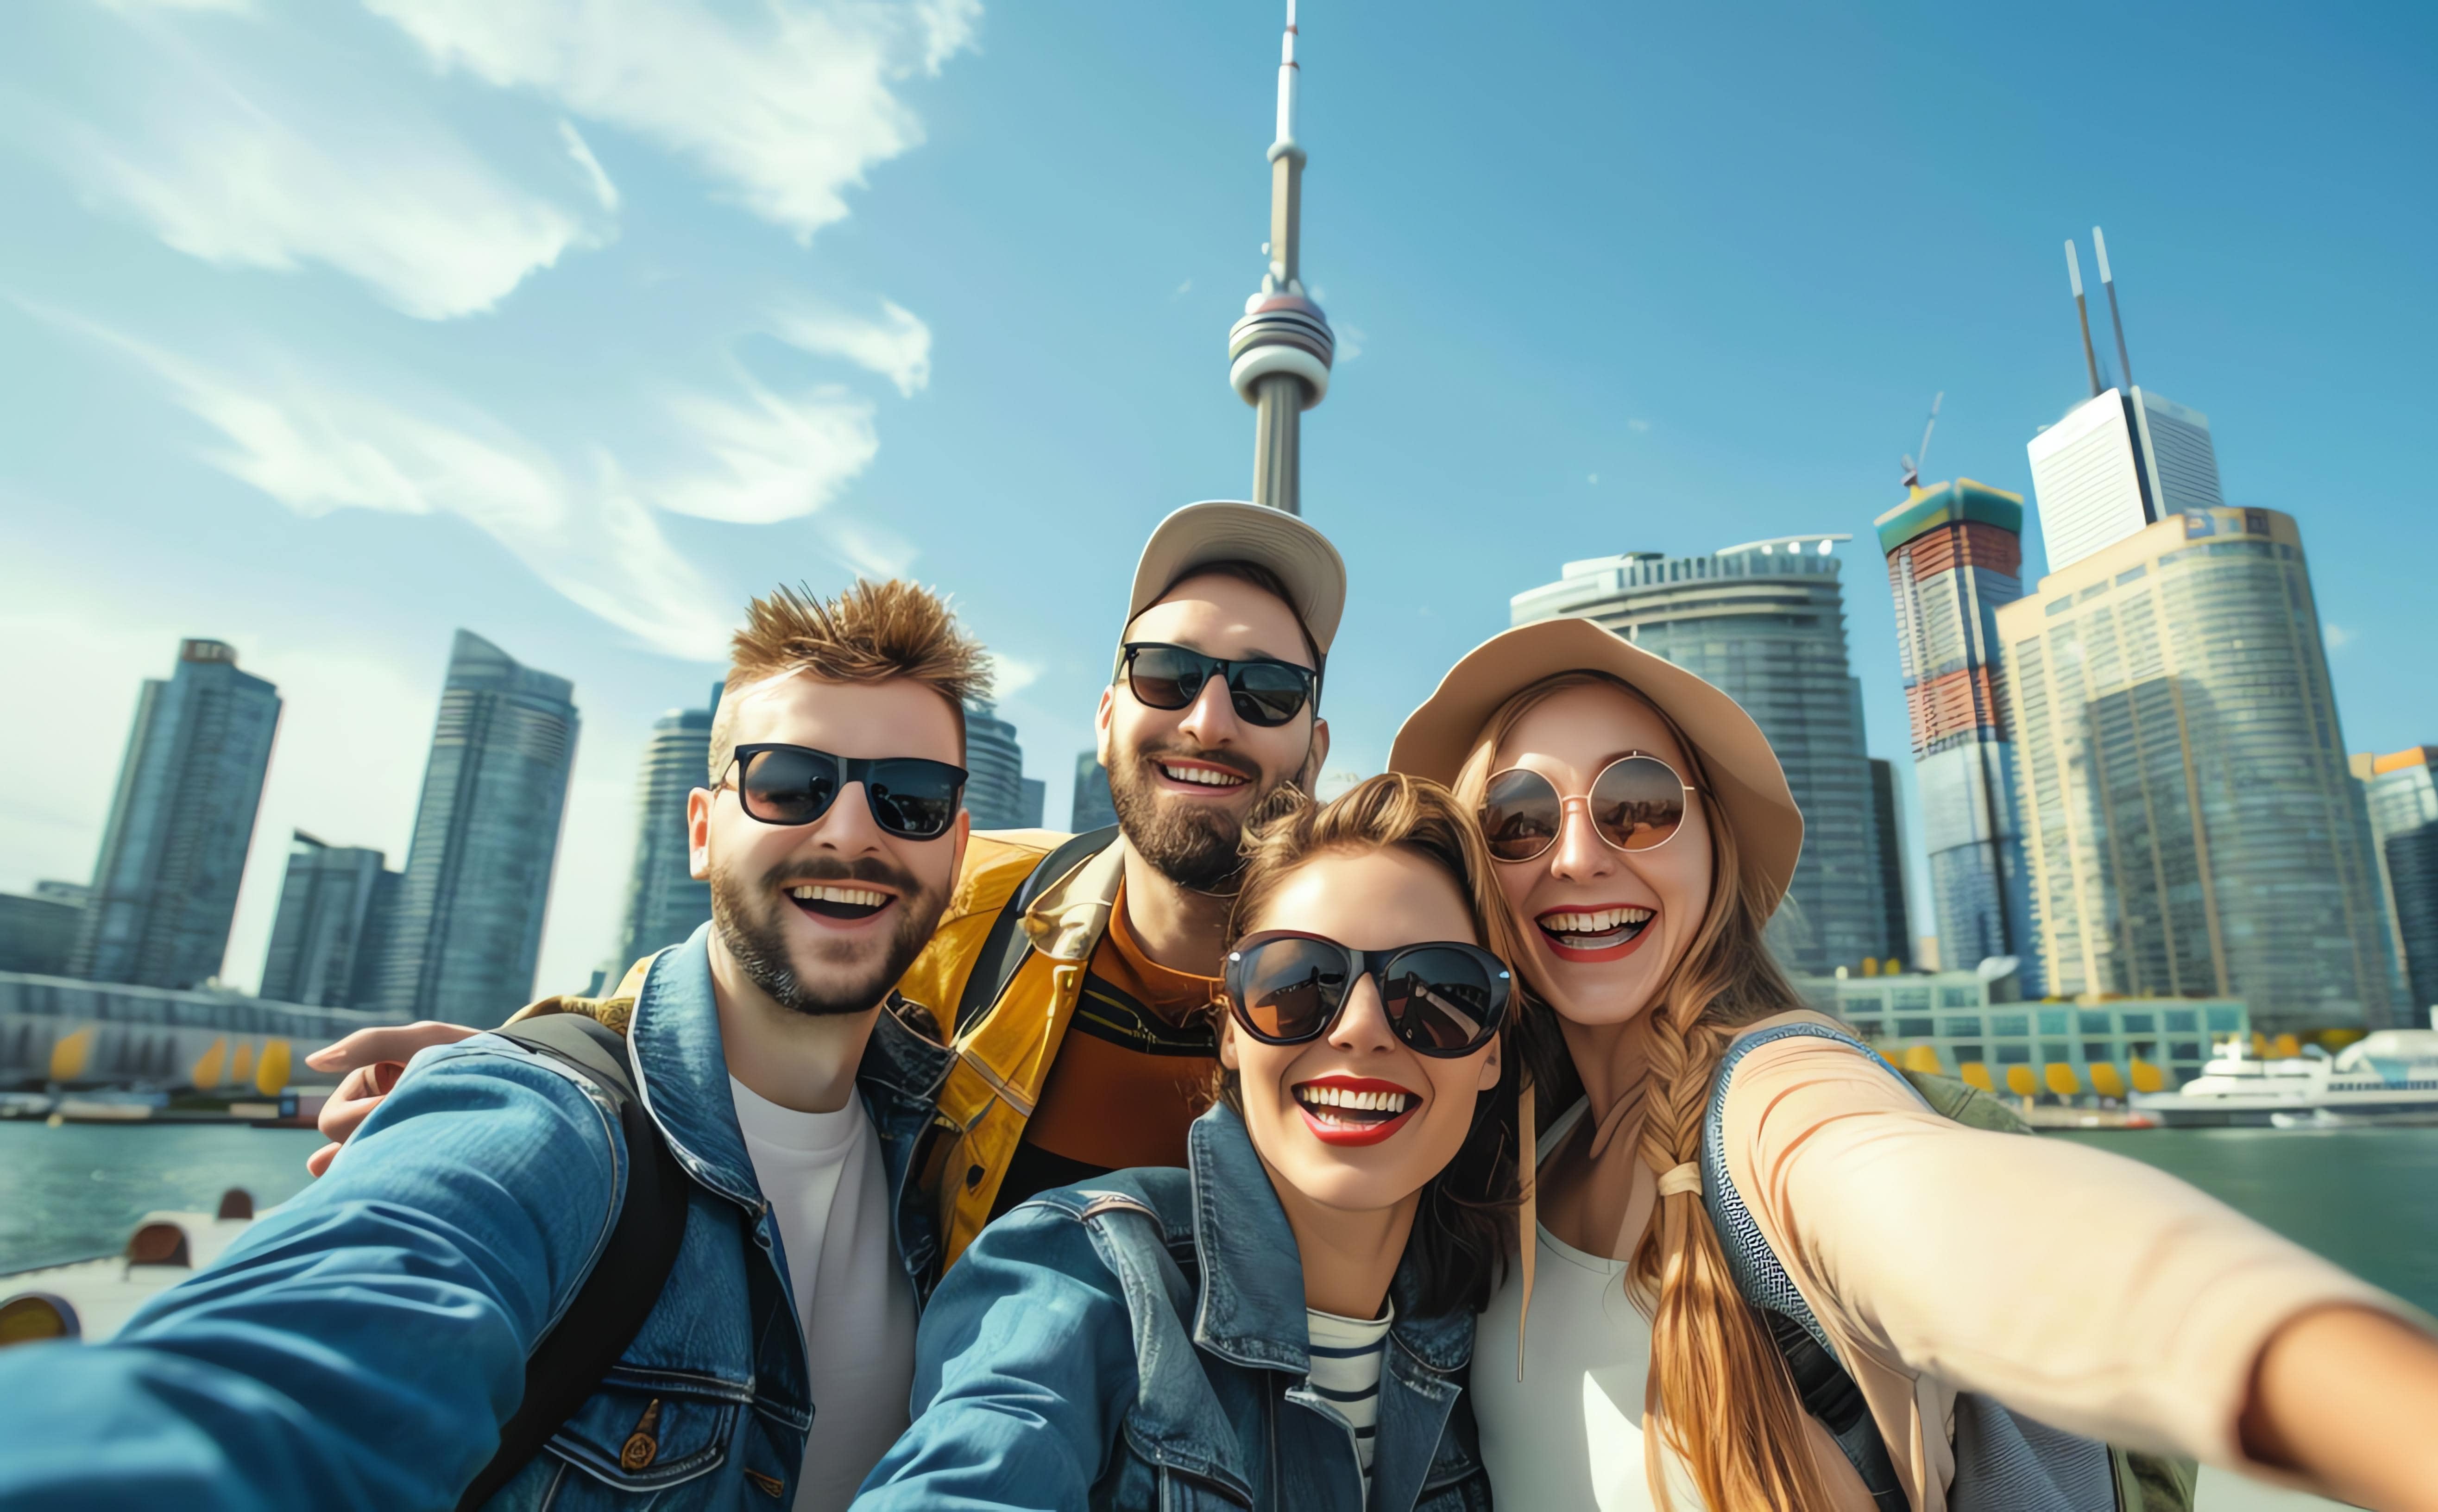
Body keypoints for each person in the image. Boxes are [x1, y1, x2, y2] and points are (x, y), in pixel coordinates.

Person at [1387, 616, 2438, 1512]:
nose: (1575, 856)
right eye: (1516, 821)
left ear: (1712, 846)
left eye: (1635, 805)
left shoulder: (1776, 1097)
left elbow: (1981, 1230)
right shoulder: (1506, 1165)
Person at [0, 580, 990, 1512]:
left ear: (956, 846)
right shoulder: (540, 1121)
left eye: (908, 797)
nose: (850, 831)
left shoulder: (963, 1152)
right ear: (701, 829)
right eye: (790, 783)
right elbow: (285, 1376)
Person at [307, 501, 1347, 1275]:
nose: (1210, 720)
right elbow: (720, 997)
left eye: (1265, 691)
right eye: (1168, 674)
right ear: (1109, 713)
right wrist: (536, 1062)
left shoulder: (1370, 996)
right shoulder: (961, 891)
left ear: (1316, 742)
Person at [856, 774, 1519, 1511]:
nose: (1360, 1028)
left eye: (1435, 990)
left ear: (1491, 1047)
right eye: (1299, 980)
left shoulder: (1497, 1358)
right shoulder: (1087, 1275)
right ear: (1232, 1028)